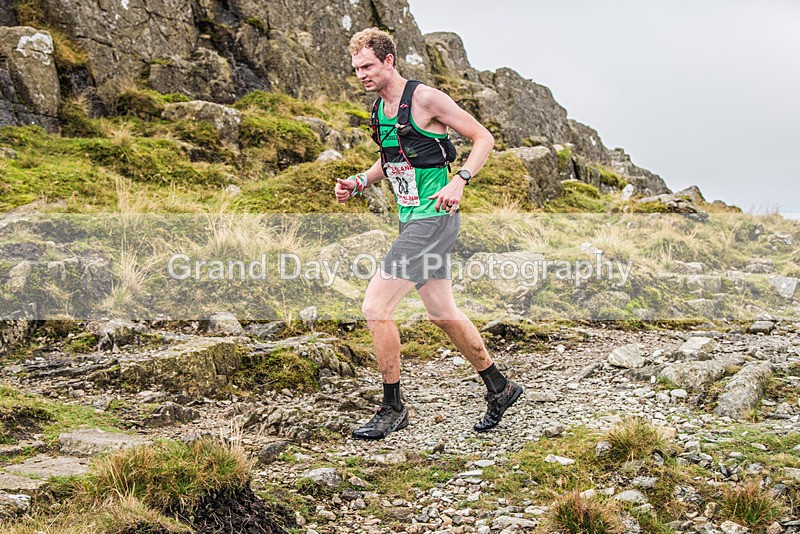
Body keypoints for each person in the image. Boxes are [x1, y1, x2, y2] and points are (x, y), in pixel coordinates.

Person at [335, 28, 523, 440]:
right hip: (411, 219)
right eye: (356, 69)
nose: (361, 74)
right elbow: (393, 160)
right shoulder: (378, 110)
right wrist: (359, 181)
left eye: (367, 66)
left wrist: (461, 180)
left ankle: (393, 406)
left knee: (375, 307)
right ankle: (500, 387)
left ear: (388, 61)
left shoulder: (425, 99)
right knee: (442, 313)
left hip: (433, 219)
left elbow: (483, 138)